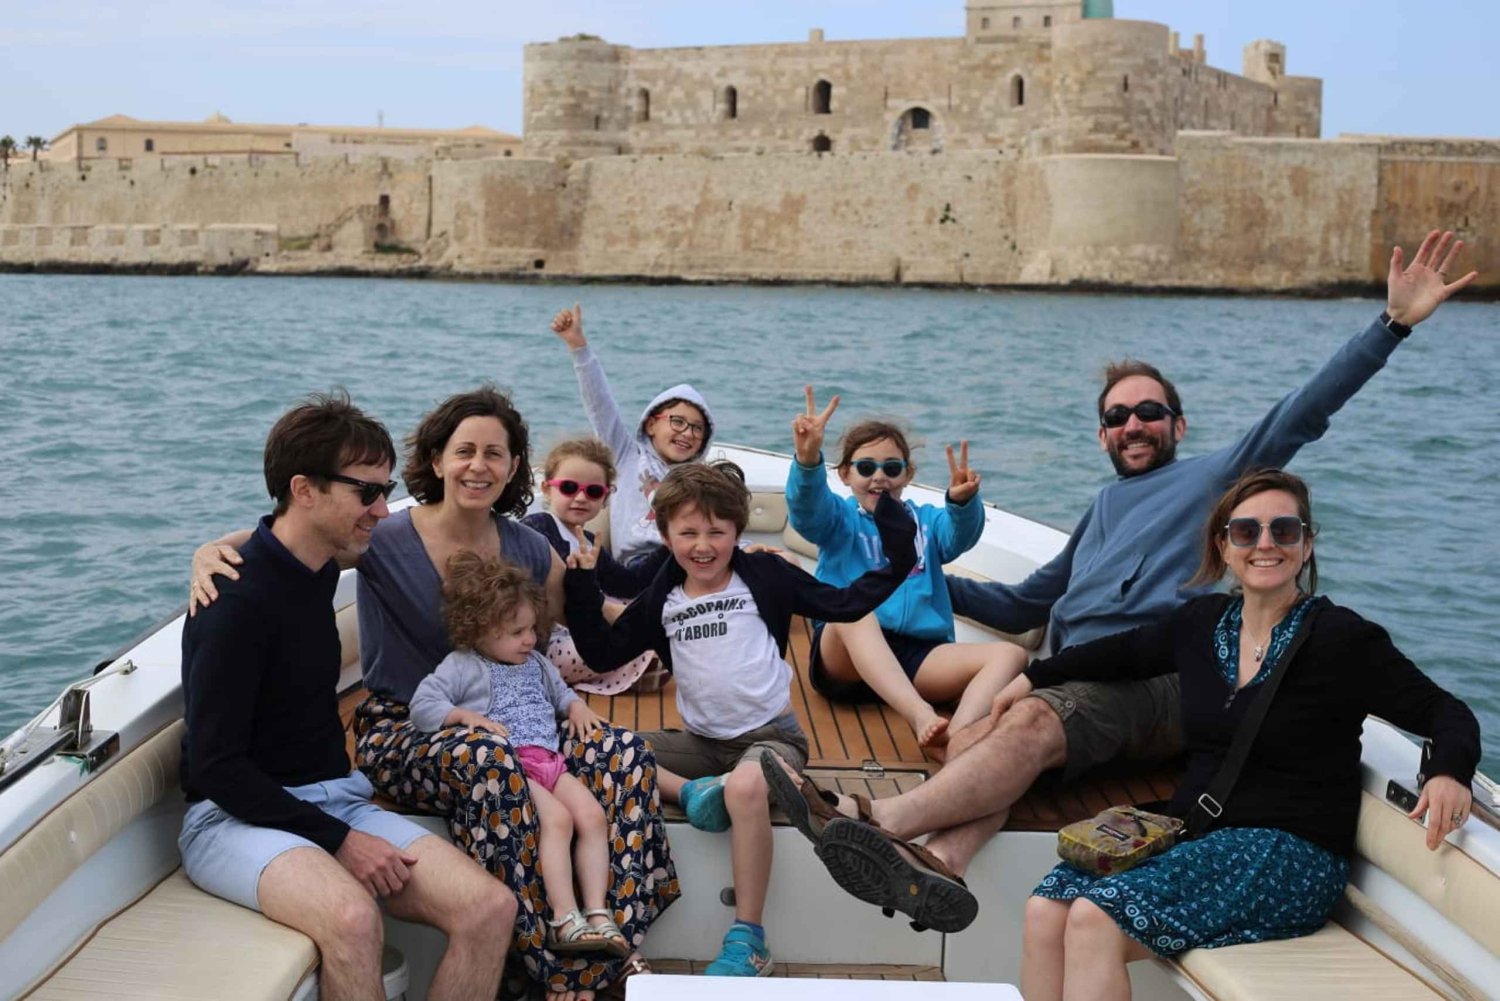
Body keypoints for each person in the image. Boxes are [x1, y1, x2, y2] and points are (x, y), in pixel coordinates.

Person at [764, 229, 1478, 931]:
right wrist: (905, 580)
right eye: (1117, 416)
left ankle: (876, 818)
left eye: (1149, 412)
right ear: (1102, 434)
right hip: (1081, 678)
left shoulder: (1214, 478)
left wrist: (1389, 326)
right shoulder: (1104, 507)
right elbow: (1026, 602)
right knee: (1002, 732)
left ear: (1178, 425)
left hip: (1158, 680)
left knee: (1029, 720)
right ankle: (942, 862)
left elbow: (1304, 411)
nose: (1133, 424)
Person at [191, 386, 677, 1001]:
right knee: (489, 763)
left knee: (621, 757)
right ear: (439, 459)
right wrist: (209, 550)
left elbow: (590, 621)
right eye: (464, 450)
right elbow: (285, 541)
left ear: (515, 466)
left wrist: (690, 585)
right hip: (403, 732)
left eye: (495, 453)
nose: (378, 506)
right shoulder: (372, 544)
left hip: (432, 750)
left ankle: (607, 944)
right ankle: (557, 969)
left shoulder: (522, 547)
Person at [1012, 468, 1479, 1000]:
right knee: (1046, 909)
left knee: (1095, 918)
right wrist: (1029, 677)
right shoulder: (1203, 622)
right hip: (1197, 833)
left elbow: (1445, 711)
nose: (1265, 543)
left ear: (1306, 545)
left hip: (1290, 854)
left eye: (1284, 530)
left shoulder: (1344, 640)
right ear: (1224, 547)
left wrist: (1449, 771)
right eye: (1246, 531)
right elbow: (1121, 653)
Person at [178, 392, 513, 1001]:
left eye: (385, 490)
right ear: (304, 490)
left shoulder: (322, 567)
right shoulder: (233, 604)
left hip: (335, 798)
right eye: (367, 493)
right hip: (231, 819)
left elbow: (272, 538)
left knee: (489, 910)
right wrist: (340, 840)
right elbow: (214, 767)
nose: (382, 509)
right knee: (354, 919)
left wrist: (339, 826)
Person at [563, 463, 918, 977]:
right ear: (664, 534)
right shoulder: (663, 597)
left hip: (773, 739)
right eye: (687, 533)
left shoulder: (766, 576)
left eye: (717, 532)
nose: (702, 545)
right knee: (594, 748)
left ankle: (749, 939)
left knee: (747, 788)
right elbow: (602, 652)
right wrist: (580, 583)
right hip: (704, 745)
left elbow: (847, 603)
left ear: (737, 531)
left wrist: (894, 532)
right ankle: (692, 793)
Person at [786, 391, 1029, 748]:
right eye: (866, 468)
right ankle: (919, 715)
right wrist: (808, 461)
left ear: (907, 474)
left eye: (891, 468)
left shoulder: (927, 522)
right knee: (853, 611)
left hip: (915, 659)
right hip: (846, 660)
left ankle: (956, 738)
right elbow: (808, 512)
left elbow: (957, 537)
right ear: (845, 474)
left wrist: (962, 503)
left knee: (1011, 655)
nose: (879, 477)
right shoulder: (839, 520)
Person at [411, 554, 624, 957]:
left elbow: (561, 693)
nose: (529, 639)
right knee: (558, 820)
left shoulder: (536, 662)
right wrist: (462, 716)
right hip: (514, 767)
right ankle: (564, 918)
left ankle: (597, 912)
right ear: (478, 630)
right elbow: (422, 705)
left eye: (531, 629)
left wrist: (576, 707)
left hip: (550, 761)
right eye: (517, 632)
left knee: (594, 817)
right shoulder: (461, 665)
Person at [550, 303, 715, 567]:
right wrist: (578, 347)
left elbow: (719, 526)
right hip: (637, 563)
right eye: (678, 422)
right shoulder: (626, 456)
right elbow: (600, 405)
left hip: (688, 559)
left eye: (697, 428)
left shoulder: (701, 479)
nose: (688, 433)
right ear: (651, 425)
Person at [522, 437, 667, 695]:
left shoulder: (589, 542)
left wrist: (670, 545)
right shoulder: (537, 528)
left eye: (593, 491)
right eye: (568, 488)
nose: (580, 497)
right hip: (543, 642)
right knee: (646, 644)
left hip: (581, 631)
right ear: (546, 489)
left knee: (650, 615)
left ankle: (634, 669)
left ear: (606, 497)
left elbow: (628, 583)